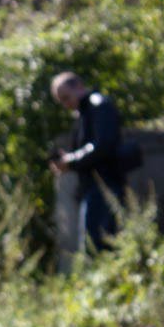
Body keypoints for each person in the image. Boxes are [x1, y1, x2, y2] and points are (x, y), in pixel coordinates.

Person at [49, 72, 126, 254]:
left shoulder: (98, 106)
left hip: (105, 185)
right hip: (93, 185)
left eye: (67, 97)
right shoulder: (86, 112)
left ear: (79, 87)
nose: (66, 104)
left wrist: (71, 161)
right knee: (94, 244)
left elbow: (102, 145)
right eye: (62, 101)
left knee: (99, 244)